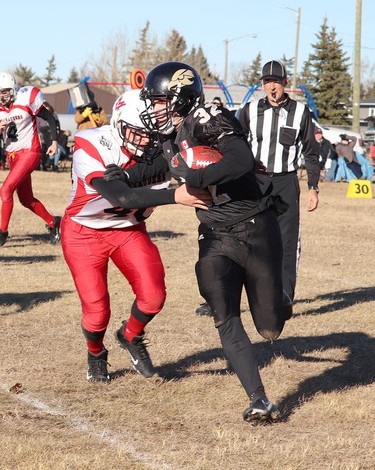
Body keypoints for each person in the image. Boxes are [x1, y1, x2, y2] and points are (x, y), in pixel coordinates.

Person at [139, 61, 286, 425]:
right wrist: (116, 179)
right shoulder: (169, 137)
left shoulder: (209, 116)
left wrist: (198, 178)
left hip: (255, 225)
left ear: (181, 97)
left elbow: (239, 159)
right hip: (216, 236)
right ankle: (259, 399)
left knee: (270, 326)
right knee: (223, 313)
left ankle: (278, 300)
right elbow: (147, 171)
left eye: (159, 101)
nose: (154, 109)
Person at [61, 89, 211, 384]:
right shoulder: (91, 143)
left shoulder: (159, 151)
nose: (144, 140)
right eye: (137, 132)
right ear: (118, 124)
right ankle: (95, 353)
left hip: (127, 229)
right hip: (84, 231)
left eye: (149, 133)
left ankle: (129, 335)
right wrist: (176, 196)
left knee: (153, 296)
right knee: (96, 309)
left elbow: (143, 205)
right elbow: (121, 195)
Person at [237, 60, 320, 319]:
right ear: (262, 85)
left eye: (277, 82)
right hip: (256, 181)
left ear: (285, 83)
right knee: (244, 238)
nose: (272, 87)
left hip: (285, 182)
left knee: (286, 240)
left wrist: (313, 187)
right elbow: (234, 143)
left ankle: (284, 297)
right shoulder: (249, 110)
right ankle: (230, 296)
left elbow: (311, 152)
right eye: (267, 82)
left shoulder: (300, 112)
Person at [0, 72, 61, 246]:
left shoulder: (25, 99)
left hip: (30, 152)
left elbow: (49, 117)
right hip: (12, 156)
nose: (1, 95)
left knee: (5, 190)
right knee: (26, 199)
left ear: (13, 90)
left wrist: (54, 142)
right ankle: (53, 223)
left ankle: (2, 232)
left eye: (4, 91)